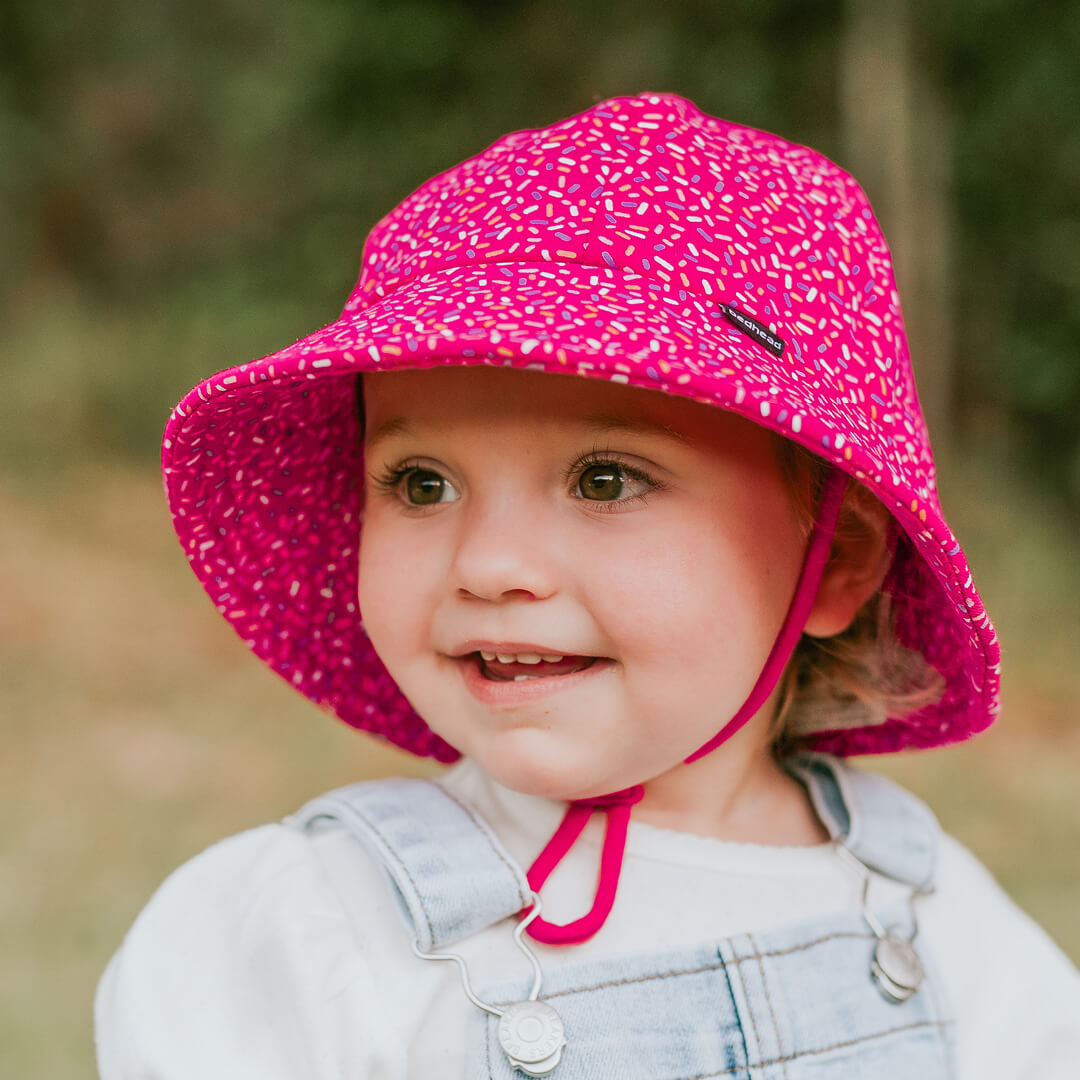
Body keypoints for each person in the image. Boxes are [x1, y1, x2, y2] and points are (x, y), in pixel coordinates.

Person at [95, 92, 1079, 1079]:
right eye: (422, 483)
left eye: (605, 480)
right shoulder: (313, 934)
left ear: (838, 561)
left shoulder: (924, 913)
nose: (487, 564)